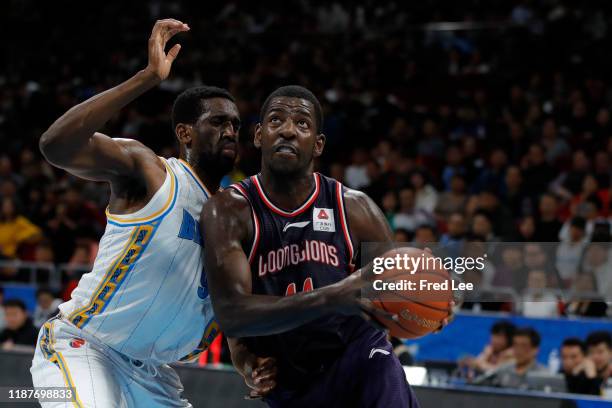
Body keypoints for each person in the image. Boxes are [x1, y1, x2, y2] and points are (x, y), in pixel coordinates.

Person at [30, 19, 270, 407]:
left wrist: (246, 362)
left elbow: (233, 305)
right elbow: (56, 145)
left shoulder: (237, 217)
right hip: (85, 347)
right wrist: (145, 78)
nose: (230, 131)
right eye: (218, 122)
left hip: (153, 373)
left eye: (236, 125)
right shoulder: (152, 172)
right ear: (185, 133)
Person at [201, 86, 443, 407]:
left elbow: (397, 289)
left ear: (317, 145)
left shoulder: (355, 209)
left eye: (302, 124)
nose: (288, 130)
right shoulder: (229, 210)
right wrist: (246, 359)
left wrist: (436, 296)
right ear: (259, 135)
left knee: (379, 362)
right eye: (276, 120)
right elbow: (232, 315)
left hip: (359, 357)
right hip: (291, 382)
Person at [476, 327, 546, 389]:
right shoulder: (503, 369)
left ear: (535, 350)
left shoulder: (543, 375)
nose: (518, 350)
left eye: (523, 346)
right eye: (515, 345)